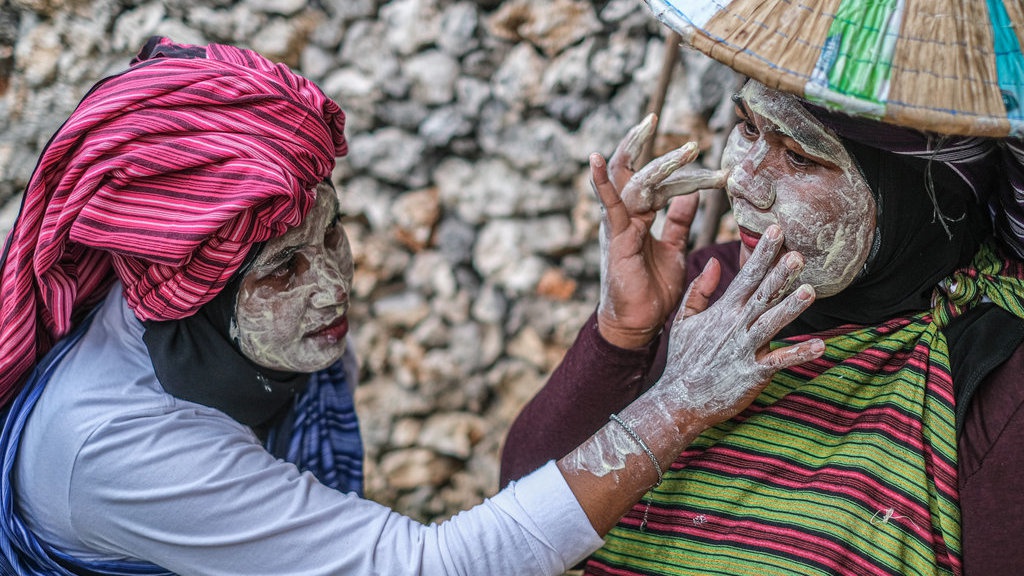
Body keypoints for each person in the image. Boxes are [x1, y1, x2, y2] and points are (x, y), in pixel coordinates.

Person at [0, 36, 825, 576]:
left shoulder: (236, 332)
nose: (333, 284)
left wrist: (620, 334)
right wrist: (677, 404)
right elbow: (427, 568)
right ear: (188, 297)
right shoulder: (117, 448)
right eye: (284, 269)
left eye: (334, 234)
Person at [501, 29, 1024, 576]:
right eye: (748, 127)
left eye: (800, 157)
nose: (743, 179)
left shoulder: (991, 371)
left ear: (925, 194)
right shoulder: (710, 283)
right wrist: (622, 334)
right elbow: (518, 530)